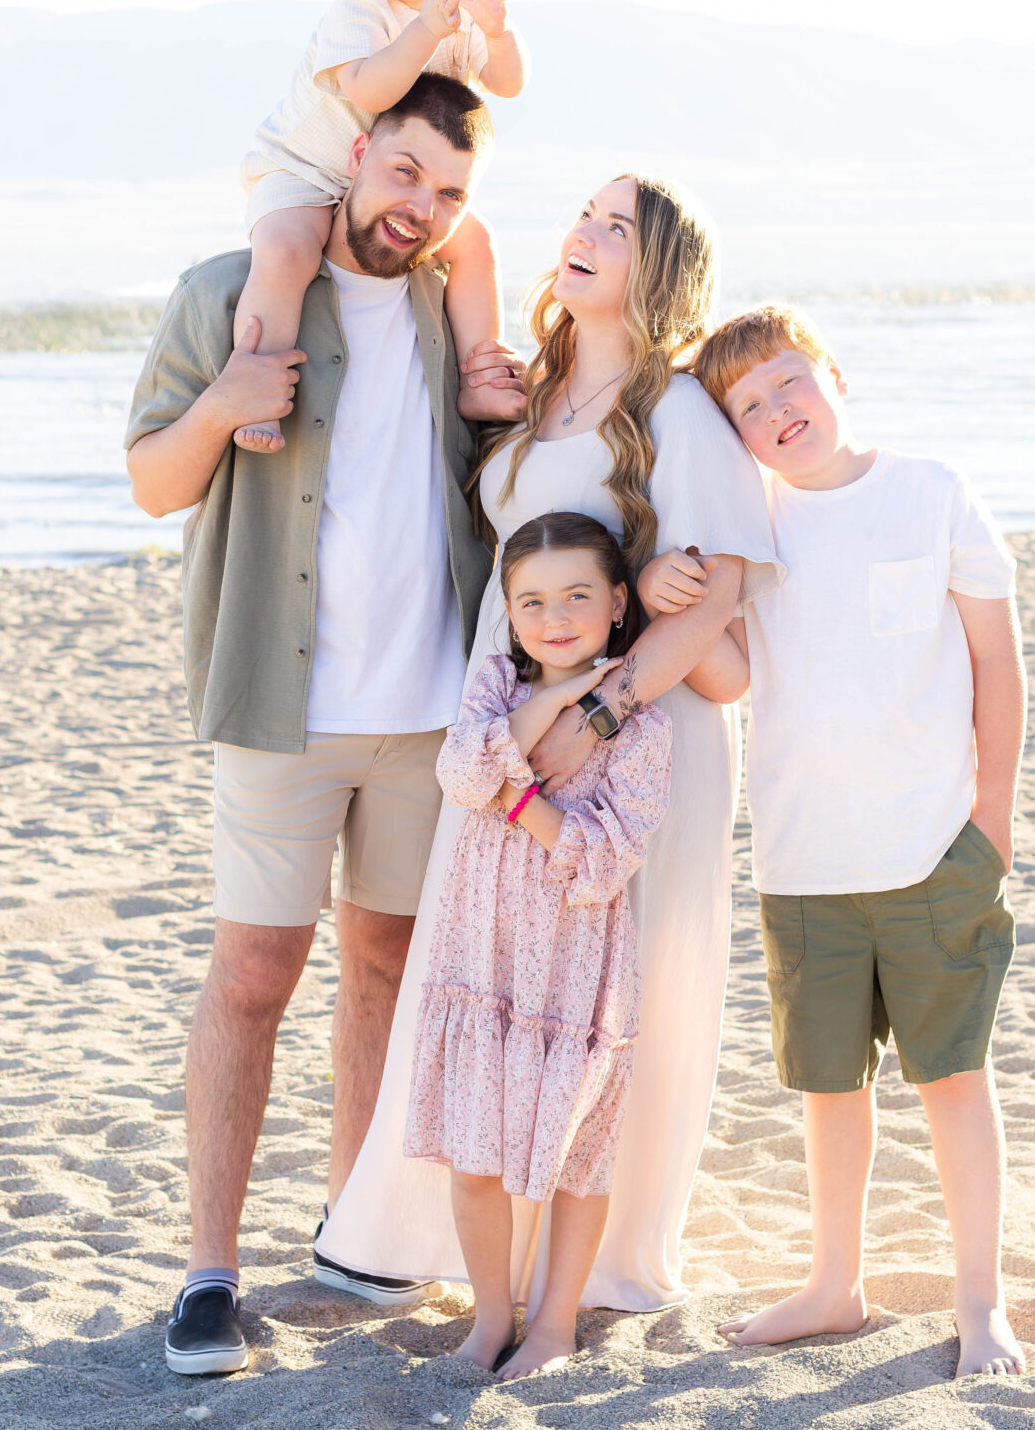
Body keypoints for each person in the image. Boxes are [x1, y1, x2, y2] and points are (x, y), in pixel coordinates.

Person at [318, 172, 782, 1320]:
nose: (583, 233)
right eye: (584, 214)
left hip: (635, 736)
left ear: (656, 268)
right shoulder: (542, 388)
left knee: (616, 983)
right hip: (512, 713)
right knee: (479, 958)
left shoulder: (679, 411)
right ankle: (432, 1238)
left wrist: (599, 716)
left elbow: (716, 601)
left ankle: (598, 1260)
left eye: (615, 228)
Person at [122, 74, 518, 1377]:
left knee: (387, 966)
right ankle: (209, 1274)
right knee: (252, 974)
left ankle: (357, 1233)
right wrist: (222, 404)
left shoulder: (454, 313)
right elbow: (152, 482)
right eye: (404, 172)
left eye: (449, 191)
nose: (421, 208)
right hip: (280, 705)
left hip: (427, 713)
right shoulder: (235, 290)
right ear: (355, 154)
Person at [654, 303, 1028, 1378]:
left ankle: (980, 1301)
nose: (777, 409)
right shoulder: (750, 530)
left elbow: (995, 658)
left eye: (789, 381)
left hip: (932, 847)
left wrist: (992, 815)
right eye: (748, 405)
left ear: (834, 376)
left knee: (952, 1078)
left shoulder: (930, 490)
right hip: (803, 860)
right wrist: (664, 594)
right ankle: (834, 1283)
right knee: (830, 1088)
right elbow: (728, 675)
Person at [410, 512, 673, 1378]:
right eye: (532, 601)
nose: (555, 618)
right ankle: (490, 1318)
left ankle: (555, 1324)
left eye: (577, 596)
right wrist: (553, 703)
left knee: (576, 1152)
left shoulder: (644, 728)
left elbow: (604, 859)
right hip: (482, 951)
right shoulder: (496, 682)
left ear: (618, 601)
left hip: (574, 958)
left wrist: (520, 802)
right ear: (509, 610)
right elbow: (460, 775)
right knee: (475, 1149)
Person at [231, 0, 528, 455]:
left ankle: (479, 376)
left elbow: (508, 83)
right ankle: (254, 390)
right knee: (288, 250)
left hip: (385, 179)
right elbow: (371, 91)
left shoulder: (458, 5)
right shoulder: (359, 8)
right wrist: (428, 30)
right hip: (305, 168)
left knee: (477, 244)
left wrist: (497, 33)